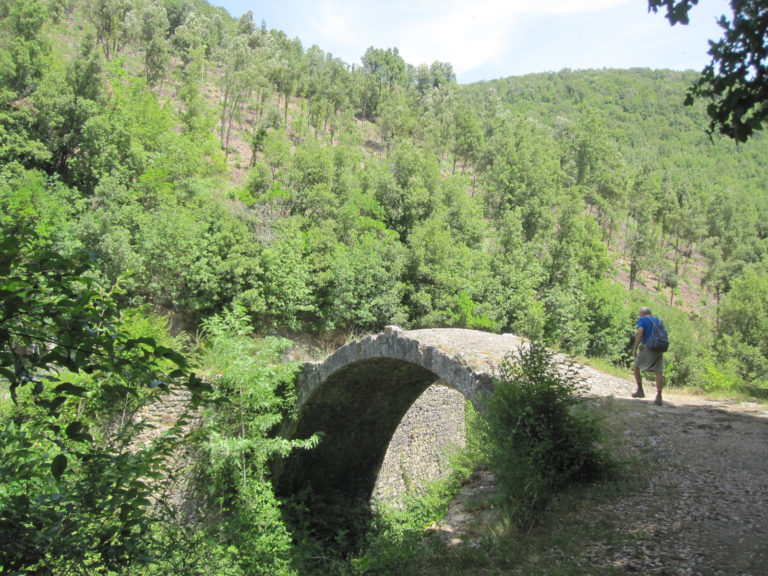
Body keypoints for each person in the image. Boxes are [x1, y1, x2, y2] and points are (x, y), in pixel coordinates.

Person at [632, 306, 665, 406]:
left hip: (648, 346)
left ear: (642, 313)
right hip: (659, 347)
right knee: (659, 371)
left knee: (636, 367)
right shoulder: (658, 320)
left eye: (639, 314)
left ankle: (640, 390)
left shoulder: (642, 319)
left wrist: (635, 348)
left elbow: (640, 333)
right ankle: (659, 396)